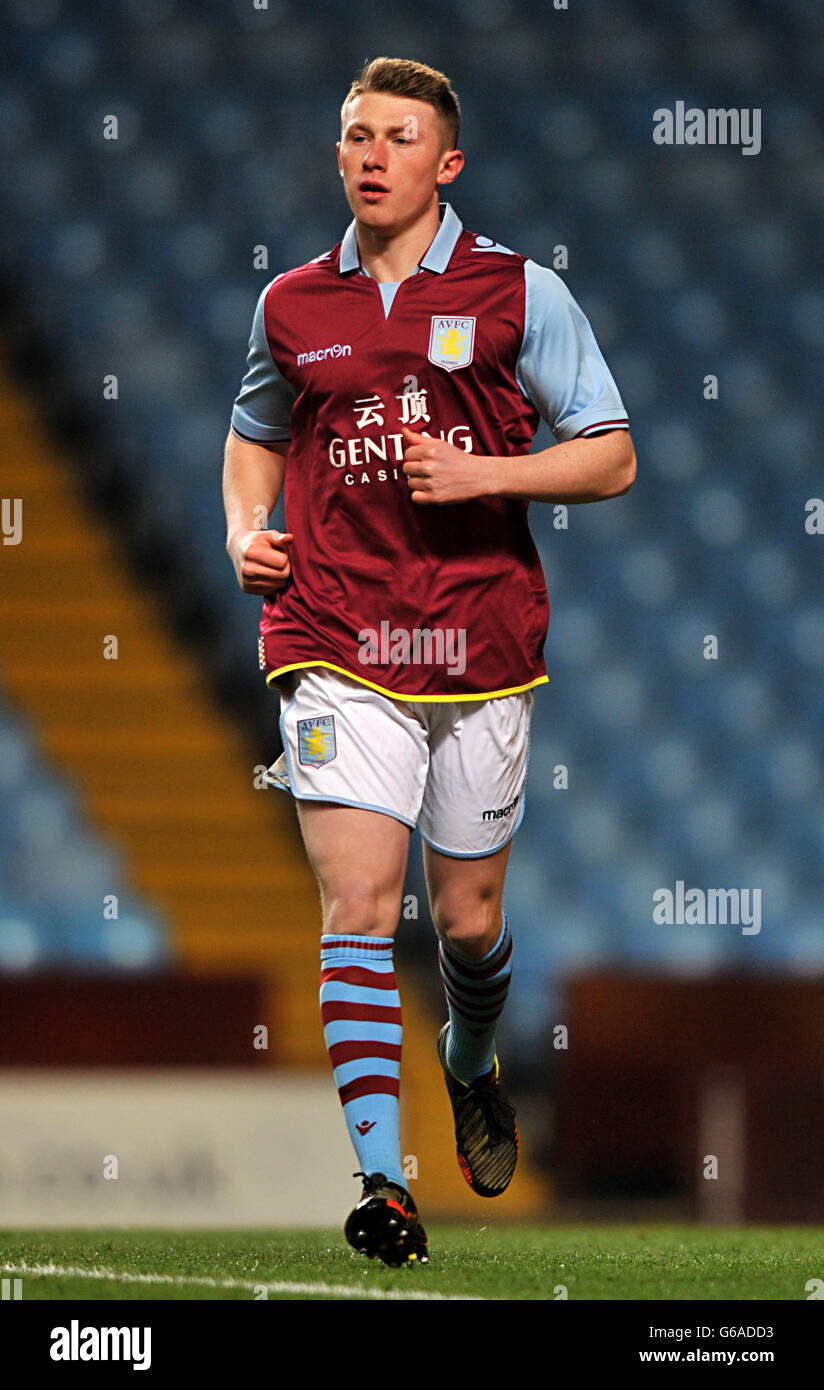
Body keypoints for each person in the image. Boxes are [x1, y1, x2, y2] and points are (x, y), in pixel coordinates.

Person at [223, 56, 635, 1268]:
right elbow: (251, 442)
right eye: (354, 134)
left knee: (465, 921)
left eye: (397, 137)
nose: (369, 154)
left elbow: (609, 454)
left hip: (476, 643)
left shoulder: (519, 292)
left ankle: (470, 1060)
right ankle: (381, 1181)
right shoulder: (291, 304)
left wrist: (489, 474)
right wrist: (247, 533)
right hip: (332, 636)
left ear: (444, 163)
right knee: (355, 901)